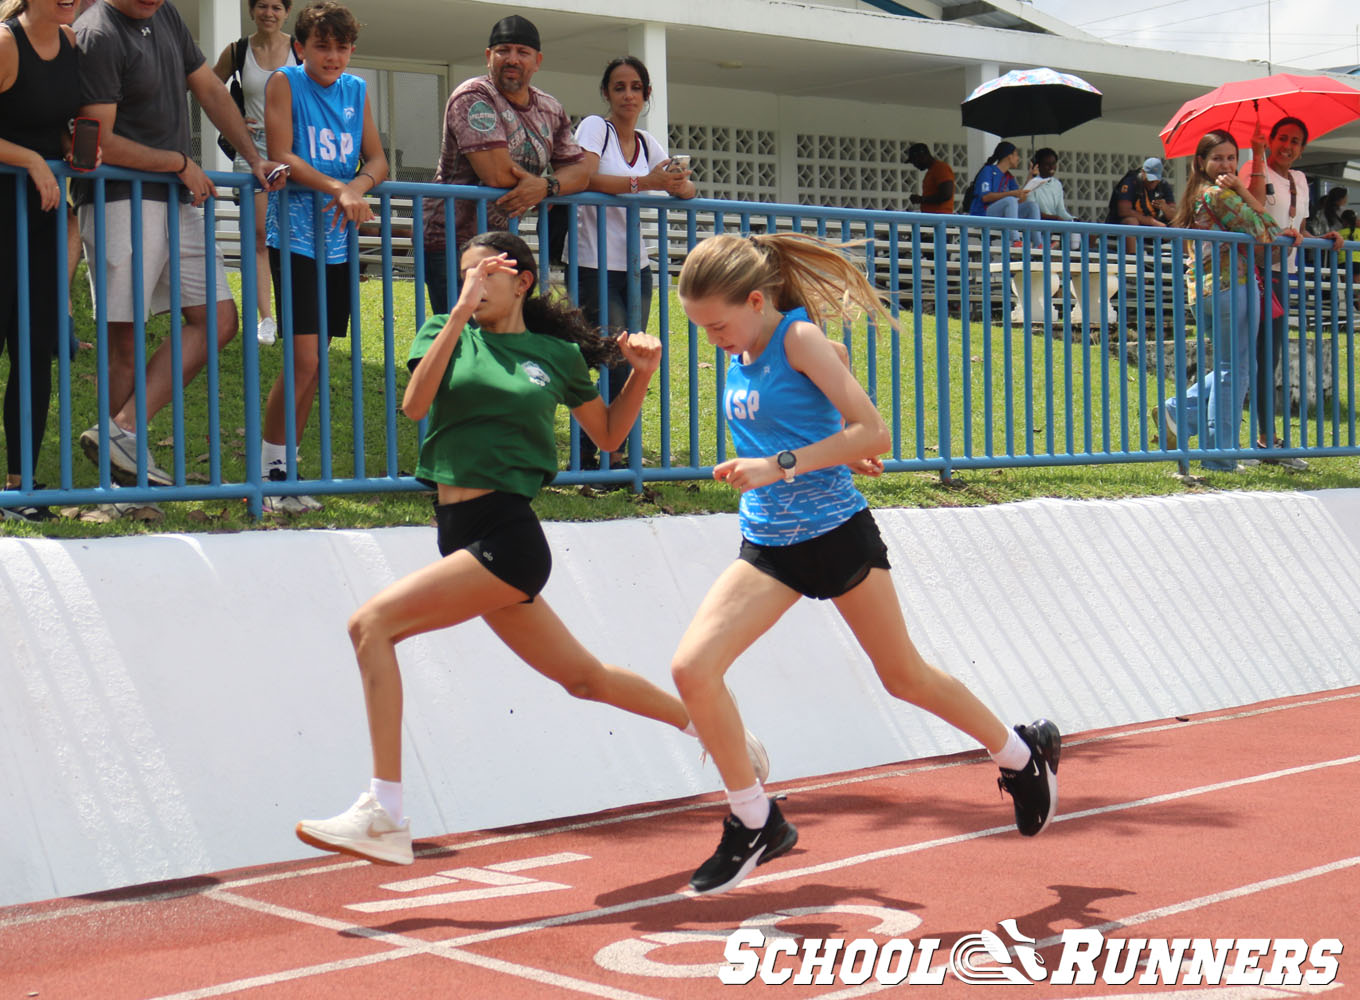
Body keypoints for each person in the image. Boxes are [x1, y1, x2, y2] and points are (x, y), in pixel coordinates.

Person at [295, 230, 770, 865]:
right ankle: (722, 731)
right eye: (464, 272)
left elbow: (605, 438)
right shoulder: (447, 328)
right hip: (457, 533)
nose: (471, 281)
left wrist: (641, 376)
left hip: (507, 534)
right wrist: (459, 310)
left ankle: (385, 810)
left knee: (371, 625)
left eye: (483, 271)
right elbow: (414, 406)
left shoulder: (554, 354)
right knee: (584, 679)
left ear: (519, 280)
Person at [669, 231, 1061, 895]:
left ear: (758, 300)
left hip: (836, 535)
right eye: (699, 327)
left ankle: (1022, 757)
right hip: (770, 543)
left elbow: (874, 430)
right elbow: (825, 427)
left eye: (716, 324)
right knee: (692, 668)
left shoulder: (798, 339)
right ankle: (755, 819)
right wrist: (825, 451)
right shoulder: (748, 345)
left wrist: (781, 465)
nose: (711, 339)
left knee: (903, 676)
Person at [72, 0, 286, 487]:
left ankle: (122, 432)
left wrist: (252, 158)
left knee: (218, 319)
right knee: (122, 340)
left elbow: (209, 87)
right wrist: (176, 162)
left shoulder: (164, 14)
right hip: (117, 200)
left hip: (178, 198)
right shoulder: (98, 33)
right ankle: (118, 480)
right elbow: (97, 141)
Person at [256, 1, 383, 514]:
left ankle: (288, 470)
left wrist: (358, 185)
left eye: (342, 46)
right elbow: (283, 153)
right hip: (296, 237)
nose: (333, 56)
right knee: (301, 360)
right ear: (301, 46)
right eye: (323, 45)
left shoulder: (358, 90)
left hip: (338, 244)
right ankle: (269, 473)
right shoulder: (284, 82)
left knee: (315, 365)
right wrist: (339, 187)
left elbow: (376, 156)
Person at [421, 15, 591, 315]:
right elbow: (496, 173)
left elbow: (581, 172)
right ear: (489, 57)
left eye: (522, 52)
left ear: (537, 61)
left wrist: (546, 186)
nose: (512, 59)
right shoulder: (473, 96)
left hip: (504, 242)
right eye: (503, 50)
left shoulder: (550, 109)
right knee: (462, 339)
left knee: (501, 335)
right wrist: (545, 186)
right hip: (453, 242)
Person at [573, 55, 694, 470]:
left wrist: (678, 180)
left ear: (646, 95)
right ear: (606, 92)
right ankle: (595, 452)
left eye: (636, 88)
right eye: (620, 87)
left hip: (636, 265)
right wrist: (648, 182)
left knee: (632, 356)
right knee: (609, 355)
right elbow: (585, 178)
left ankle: (614, 450)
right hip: (594, 262)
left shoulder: (646, 141)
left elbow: (682, 187)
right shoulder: (595, 127)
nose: (628, 95)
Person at [1156, 130, 1300, 474]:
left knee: (1234, 367)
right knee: (1233, 370)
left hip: (1206, 292)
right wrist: (1242, 191)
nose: (1226, 164)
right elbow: (1265, 230)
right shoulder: (1220, 195)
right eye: (1218, 158)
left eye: (1232, 157)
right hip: (1229, 287)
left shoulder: (1198, 195)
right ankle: (1219, 453)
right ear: (1201, 163)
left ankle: (1180, 410)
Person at [0, 0, 81, 521]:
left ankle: (20, 487)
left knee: (33, 353)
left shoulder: (72, 42)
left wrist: (71, 146)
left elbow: (61, 124)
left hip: (44, 214)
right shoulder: (6, 43)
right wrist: (30, 159)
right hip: (4, 208)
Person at [1241, 117, 1342, 470]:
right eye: (1282, 138)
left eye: (1296, 141)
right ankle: (1264, 441)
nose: (1288, 146)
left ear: (1303, 147)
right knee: (1253, 358)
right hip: (1255, 272)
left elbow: (1297, 229)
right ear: (1270, 139)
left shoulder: (1300, 180)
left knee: (1270, 357)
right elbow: (1250, 213)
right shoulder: (1252, 169)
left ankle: (1266, 440)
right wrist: (1255, 154)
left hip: (1285, 274)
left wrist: (1324, 238)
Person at [213, 0, 299, 348]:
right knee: (259, 236)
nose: (269, 12)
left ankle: (297, 317)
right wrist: (234, 122)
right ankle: (266, 318)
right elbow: (205, 86)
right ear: (251, 10)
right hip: (252, 153)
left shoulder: (300, 47)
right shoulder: (237, 50)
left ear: (286, 12)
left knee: (294, 236)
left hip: (293, 152)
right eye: (262, 5)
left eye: (276, 6)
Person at [967, 140, 1042, 250]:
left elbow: (1018, 200)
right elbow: (985, 197)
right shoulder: (988, 170)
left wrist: (1031, 177)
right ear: (1009, 156)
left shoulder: (1009, 177)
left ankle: (1038, 244)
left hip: (1001, 216)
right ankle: (1015, 241)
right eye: (1016, 155)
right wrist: (1011, 194)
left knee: (1031, 206)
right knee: (1010, 200)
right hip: (983, 214)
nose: (1018, 159)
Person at [1105, 156, 1174, 228]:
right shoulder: (1131, 182)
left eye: (1156, 179)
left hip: (1152, 226)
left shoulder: (1163, 185)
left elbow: (1174, 215)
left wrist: (1165, 208)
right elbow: (1124, 211)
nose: (1153, 182)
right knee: (1132, 222)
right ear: (1143, 172)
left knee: (1177, 224)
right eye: (1150, 178)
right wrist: (1152, 222)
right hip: (1121, 224)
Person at [906, 141, 954, 214]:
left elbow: (946, 194)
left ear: (922, 156)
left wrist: (921, 199)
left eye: (914, 161)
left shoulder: (941, 168)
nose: (914, 165)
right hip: (933, 218)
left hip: (941, 218)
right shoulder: (931, 171)